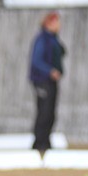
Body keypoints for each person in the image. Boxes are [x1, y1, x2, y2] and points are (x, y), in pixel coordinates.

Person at [29, 11, 64, 156]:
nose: (59, 25)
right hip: (42, 81)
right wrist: (50, 71)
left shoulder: (53, 39)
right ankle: (39, 142)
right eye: (57, 22)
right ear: (49, 23)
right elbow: (36, 61)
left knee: (50, 113)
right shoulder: (42, 39)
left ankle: (46, 142)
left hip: (51, 81)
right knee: (44, 112)